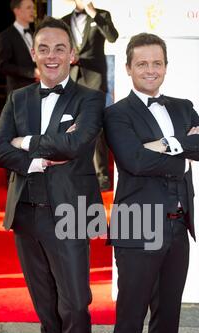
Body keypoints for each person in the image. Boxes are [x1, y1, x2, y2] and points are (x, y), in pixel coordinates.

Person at [0, 16, 106, 333]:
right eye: (44, 48)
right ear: (34, 53)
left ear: (73, 56)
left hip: (72, 213)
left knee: (75, 305)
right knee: (46, 311)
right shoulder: (18, 99)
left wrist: (26, 142)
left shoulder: (90, 99)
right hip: (27, 216)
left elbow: (76, 146)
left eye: (60, 48)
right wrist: (36, 157)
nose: (52, 55)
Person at [104, 33, 199, 333]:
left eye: (157, 63)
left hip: (177, 224)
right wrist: (181, 149)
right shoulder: (117, 114)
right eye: (142, 64)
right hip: (138, 225)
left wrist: (165, 144)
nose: (150, 70)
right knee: (131, 317)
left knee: (168, 314)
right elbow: (134, 161)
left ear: (166, 66)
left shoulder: (183, 106)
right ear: (130, 68)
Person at [62, 1, 119, 191]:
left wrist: (93, 13)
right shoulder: (63, 21)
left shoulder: (102, 15)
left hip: (94, 80)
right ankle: (74, 173)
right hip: (72, 79)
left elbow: (112, 37)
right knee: (71, 127)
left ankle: (101, 175)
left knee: (96, 128)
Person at [0, 0, 40, 93]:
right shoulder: (5, 35)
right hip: (18, 92)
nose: (33, 11)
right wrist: (31, 73)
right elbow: (3, 65)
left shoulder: (35, 35)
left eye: (33, 8)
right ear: (17, 11)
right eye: (29, 8)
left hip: (37, 90)